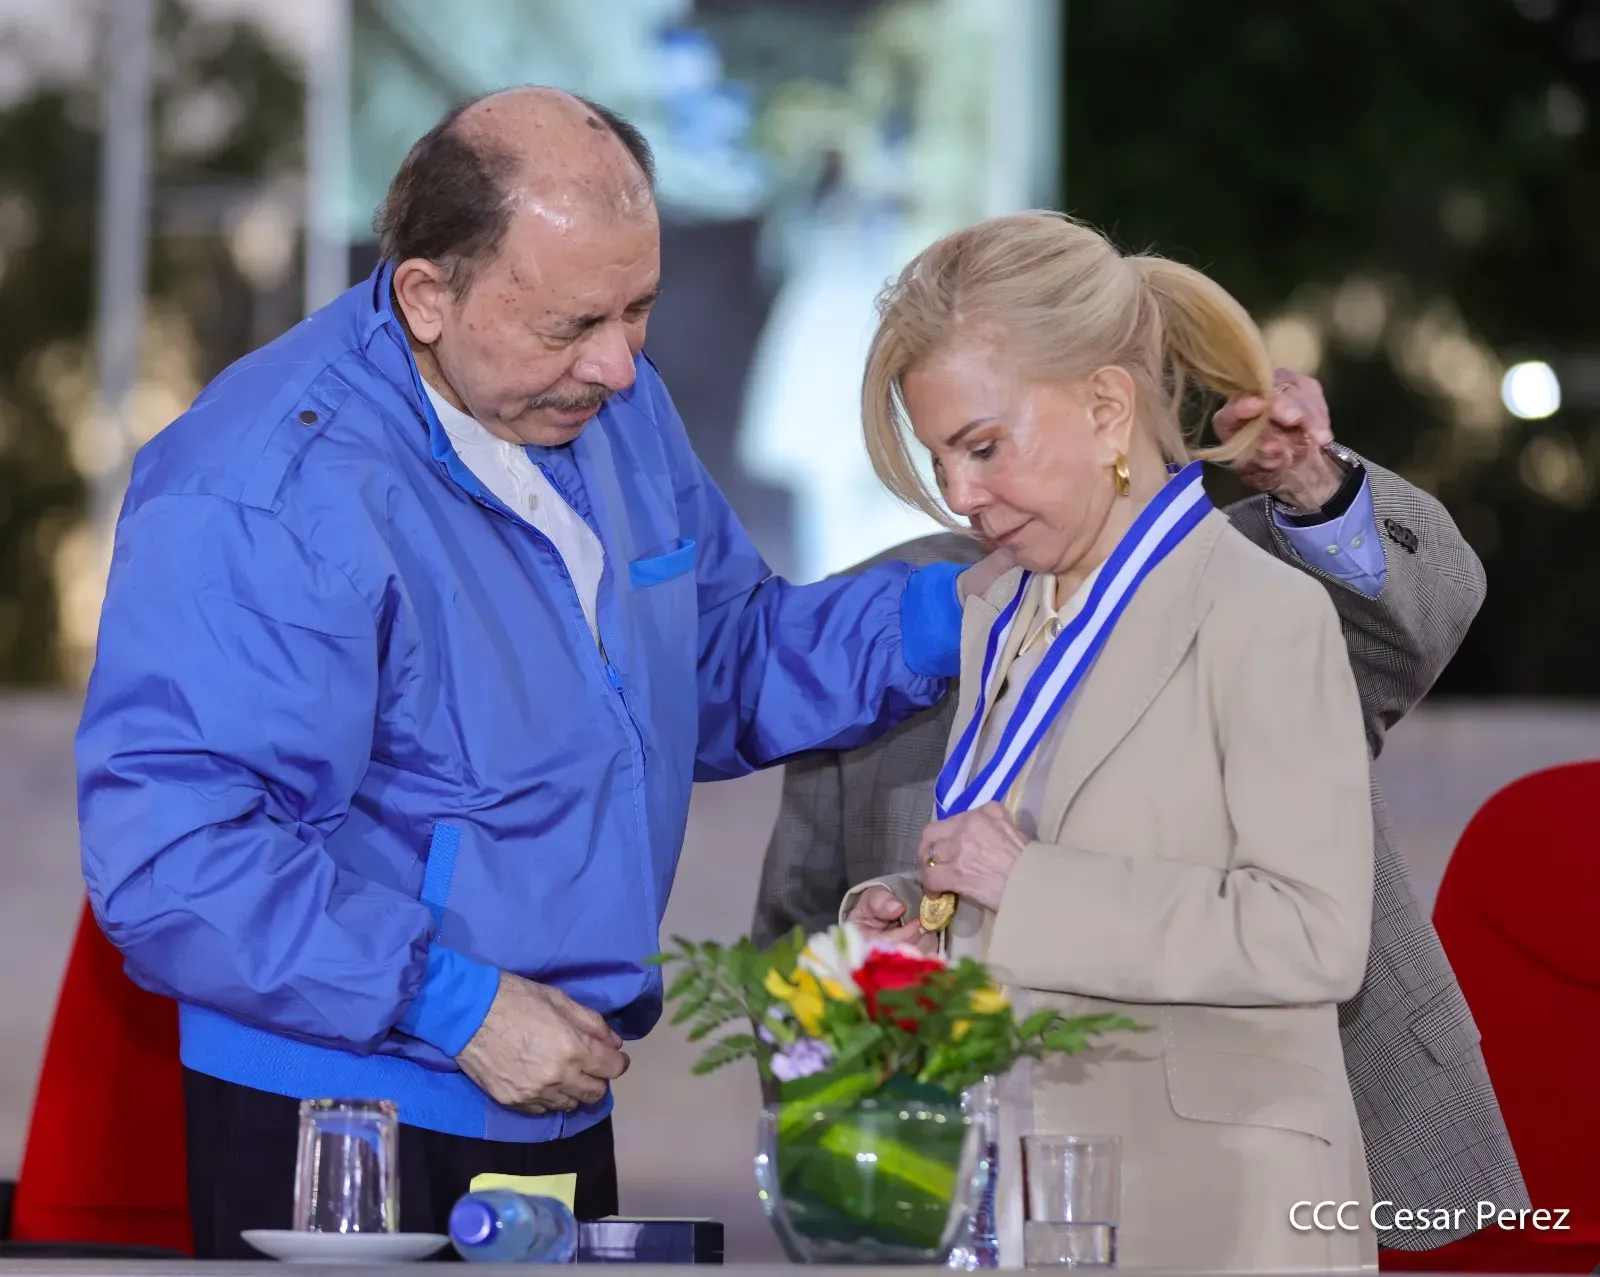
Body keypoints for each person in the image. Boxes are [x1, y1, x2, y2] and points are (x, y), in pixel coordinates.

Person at [73, 88, 995, 1257]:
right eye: (571, 324)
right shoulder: (260, 488)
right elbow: (176, 854)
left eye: (639, 308)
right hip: (344, 1113)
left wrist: (964, 612)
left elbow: (714, 664)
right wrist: (455, 1004)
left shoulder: (609, 409)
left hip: (551, 1080)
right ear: (426, 295)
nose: (617, 365)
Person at [755, 414, 1530, 1265]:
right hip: (977, 1196)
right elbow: (802, 932)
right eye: (950, 452)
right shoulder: (889, 611)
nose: (963, 488)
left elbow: (1418, 623)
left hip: (1274, 1167)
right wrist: (871, 961)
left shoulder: (1229, 575)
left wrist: (1310, 480)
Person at [835, 209, 1382, 1270]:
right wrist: (915, 912)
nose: (959, 494)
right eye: (941, 459)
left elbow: (1313, 934)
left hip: (1223, 1206)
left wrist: (1025, 885)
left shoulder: (1262, 611)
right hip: (1027, 1191)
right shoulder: (1000, 608)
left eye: (982, 446)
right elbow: (1035, 859)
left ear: (1104, 407)